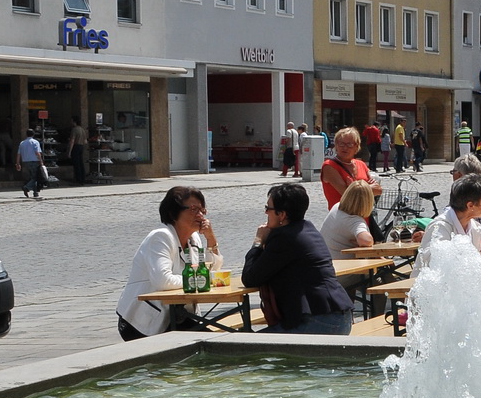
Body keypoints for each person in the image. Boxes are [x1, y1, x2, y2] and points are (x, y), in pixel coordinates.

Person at [241, 182, 354, 334]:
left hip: (320, 321)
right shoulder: (309, 229)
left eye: (268, 208)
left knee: (246, 348)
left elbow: (250, 278)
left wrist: (257, 242)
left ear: (282, 215)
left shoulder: (284, 238)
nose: (266, 213)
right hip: (339, 316)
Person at [115, 187, 223, 340]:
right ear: (173, 214)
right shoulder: (160, 237)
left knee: (212, 342)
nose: (200, 215)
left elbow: (213, 270)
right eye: (193, 209)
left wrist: (211, 239)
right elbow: (163, 281)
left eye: (202, 210)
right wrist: (205, 280)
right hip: (142, 323)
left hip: (179, 316)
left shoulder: (194, 238)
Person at [421, 173, 481, 266]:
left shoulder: (475, 228)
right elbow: (434, 262)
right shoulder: (440, 227)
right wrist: (480, 257)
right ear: (470, 205)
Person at [320, 127, 381, 209]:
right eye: (341, 144)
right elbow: (347, 194)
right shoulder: (329, 166)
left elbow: (378, 190)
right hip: (343, 217)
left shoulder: (361, 164)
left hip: (364, 217)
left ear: (356, 146)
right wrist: (368, 187)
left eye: (349, 144)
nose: (345, 147)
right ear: (336, 145)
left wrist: (353, 187)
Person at [319, 180, 378, 254]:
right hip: (342, 262)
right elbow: (367, 240)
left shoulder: (337, 207)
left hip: (325, 256)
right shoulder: (355, 221)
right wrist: (364, 242)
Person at [17, 130, 44, 200]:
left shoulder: (22, 143)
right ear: (33, 134)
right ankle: (27, 187)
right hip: (34, 161)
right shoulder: (35, 142)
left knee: (32, 177)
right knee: (35, 177)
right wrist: (41, 161)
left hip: (25, 162)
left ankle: (35, 193)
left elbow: (18, 154)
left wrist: (18, 163)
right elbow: (37, 152)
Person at [66, 117, 89, 185]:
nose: (71, 122)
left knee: (76, 164)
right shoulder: (82, 129)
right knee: (81, 163)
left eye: (72, 121)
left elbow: (72, 141)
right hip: (81, 146)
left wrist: (69, 152)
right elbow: (85, 141)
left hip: (75, 147)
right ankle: (82, 178)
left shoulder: (74, 129)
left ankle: (78, 180)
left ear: (74, 122)